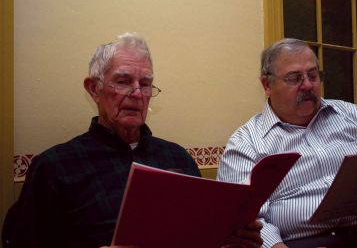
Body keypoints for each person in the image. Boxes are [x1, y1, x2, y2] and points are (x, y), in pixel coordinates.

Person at [3, 32, 263, 248]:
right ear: (94, 89)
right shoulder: (55, 167)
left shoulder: (177, 157)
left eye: (146, 83)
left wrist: (231, 241)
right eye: (123, 81)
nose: (137, 93)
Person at [217, 38, 357, 248]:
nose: (308, 85)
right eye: (294, 78)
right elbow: (250, 220)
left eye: (313, 75)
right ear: (267, 85)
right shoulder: (246, 143)